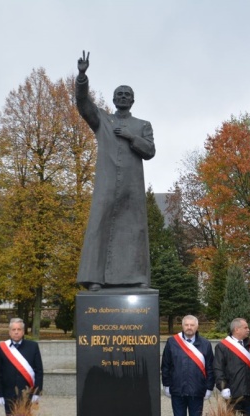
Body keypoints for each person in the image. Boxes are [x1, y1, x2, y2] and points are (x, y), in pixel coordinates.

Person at [74, 50, 156, 291]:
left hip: (132, 186)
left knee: (134, 230)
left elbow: (150, 151)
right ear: (113, 99)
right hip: (107, 183)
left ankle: (137, 278)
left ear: (132, 100)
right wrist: (81, 77)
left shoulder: (142, 125)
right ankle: (95, 279)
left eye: (126, 94)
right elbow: (83, 104)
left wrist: (132, 138)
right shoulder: (102, 120)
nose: (122, 97)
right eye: (118, 94)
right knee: (100, 226)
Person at [161, 315, 215, 416]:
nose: (189, 327)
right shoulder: (172, 342)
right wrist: (166, 384)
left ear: (197, 326)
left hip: (197, 390)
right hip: (177, 390)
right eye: (186, 325)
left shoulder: (205, 344)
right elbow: (165, 365)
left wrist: (209, 387)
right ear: (182, 326)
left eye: (192, 325)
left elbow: (210, 367)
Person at [0, 318, 43, 415]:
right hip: (8, 393)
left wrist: (37, 392)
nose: (16, 332)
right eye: (13, 329)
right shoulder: (1, 348)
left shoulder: (33, 346)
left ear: (23, 331)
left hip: (27, 393)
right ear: (9, 332)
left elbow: (39, 371)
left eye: (19, 329)